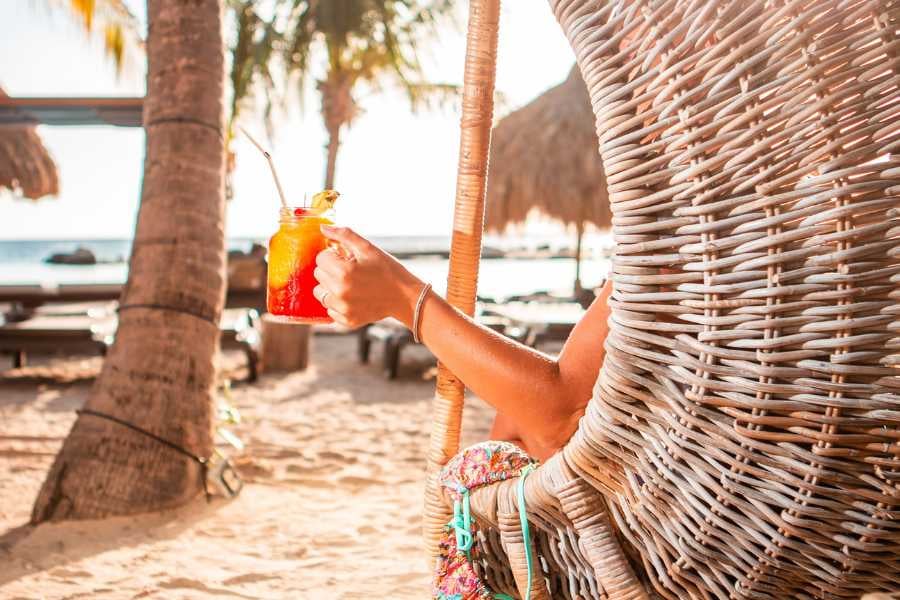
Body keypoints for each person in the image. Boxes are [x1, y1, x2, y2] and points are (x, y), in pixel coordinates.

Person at [313, 224, 611, 462]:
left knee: (518, 421)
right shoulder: (647, 251)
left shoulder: (652, 250)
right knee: (515, 417)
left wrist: (403, 297)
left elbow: (561, 420)